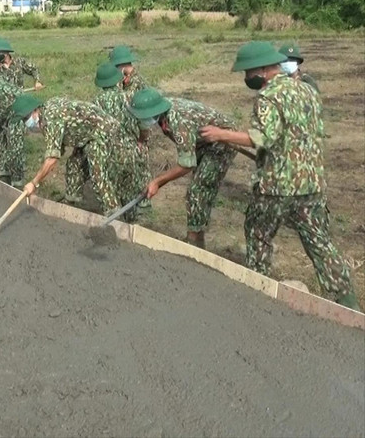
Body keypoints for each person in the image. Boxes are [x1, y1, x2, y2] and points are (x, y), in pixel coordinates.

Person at [200, 41, 359, 311]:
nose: (247, 77)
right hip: (311, 184)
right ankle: (349, 304)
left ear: (263, 69)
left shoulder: (268, 96)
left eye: (248, 72)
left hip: (277, 186)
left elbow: (262, 137)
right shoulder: (308, 90)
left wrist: (220, 134)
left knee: (258, 232)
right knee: (319, 243)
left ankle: (258, 290)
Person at [129, 88, 238, 248]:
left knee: (197, 190)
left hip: (222, 140)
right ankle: (197, 237)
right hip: (202, 140)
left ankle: (193, 243)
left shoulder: (178, 121)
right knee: (199, 188)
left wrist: (157, 181)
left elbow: (186, 165)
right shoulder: (163, 114)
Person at [14, 94, 140, 218]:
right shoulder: (46, 113)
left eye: (26, 118)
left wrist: (34, 182)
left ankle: (114, 213)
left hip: (103, 133)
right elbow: (58, 146)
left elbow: (52, 159)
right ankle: (70, 203)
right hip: (84, 135)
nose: (26, 123)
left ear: (35, 110)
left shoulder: (50, 119)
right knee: (73, 164)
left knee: (98, 174)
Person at [92, 61, 150, 207]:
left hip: (108, 154)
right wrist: (141, 140)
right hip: (131, 151)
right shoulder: (129, 98)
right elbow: (144, 125)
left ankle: (114, 213)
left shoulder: (95, 103)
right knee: (131, 194)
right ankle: (136, 213)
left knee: (113, 191)